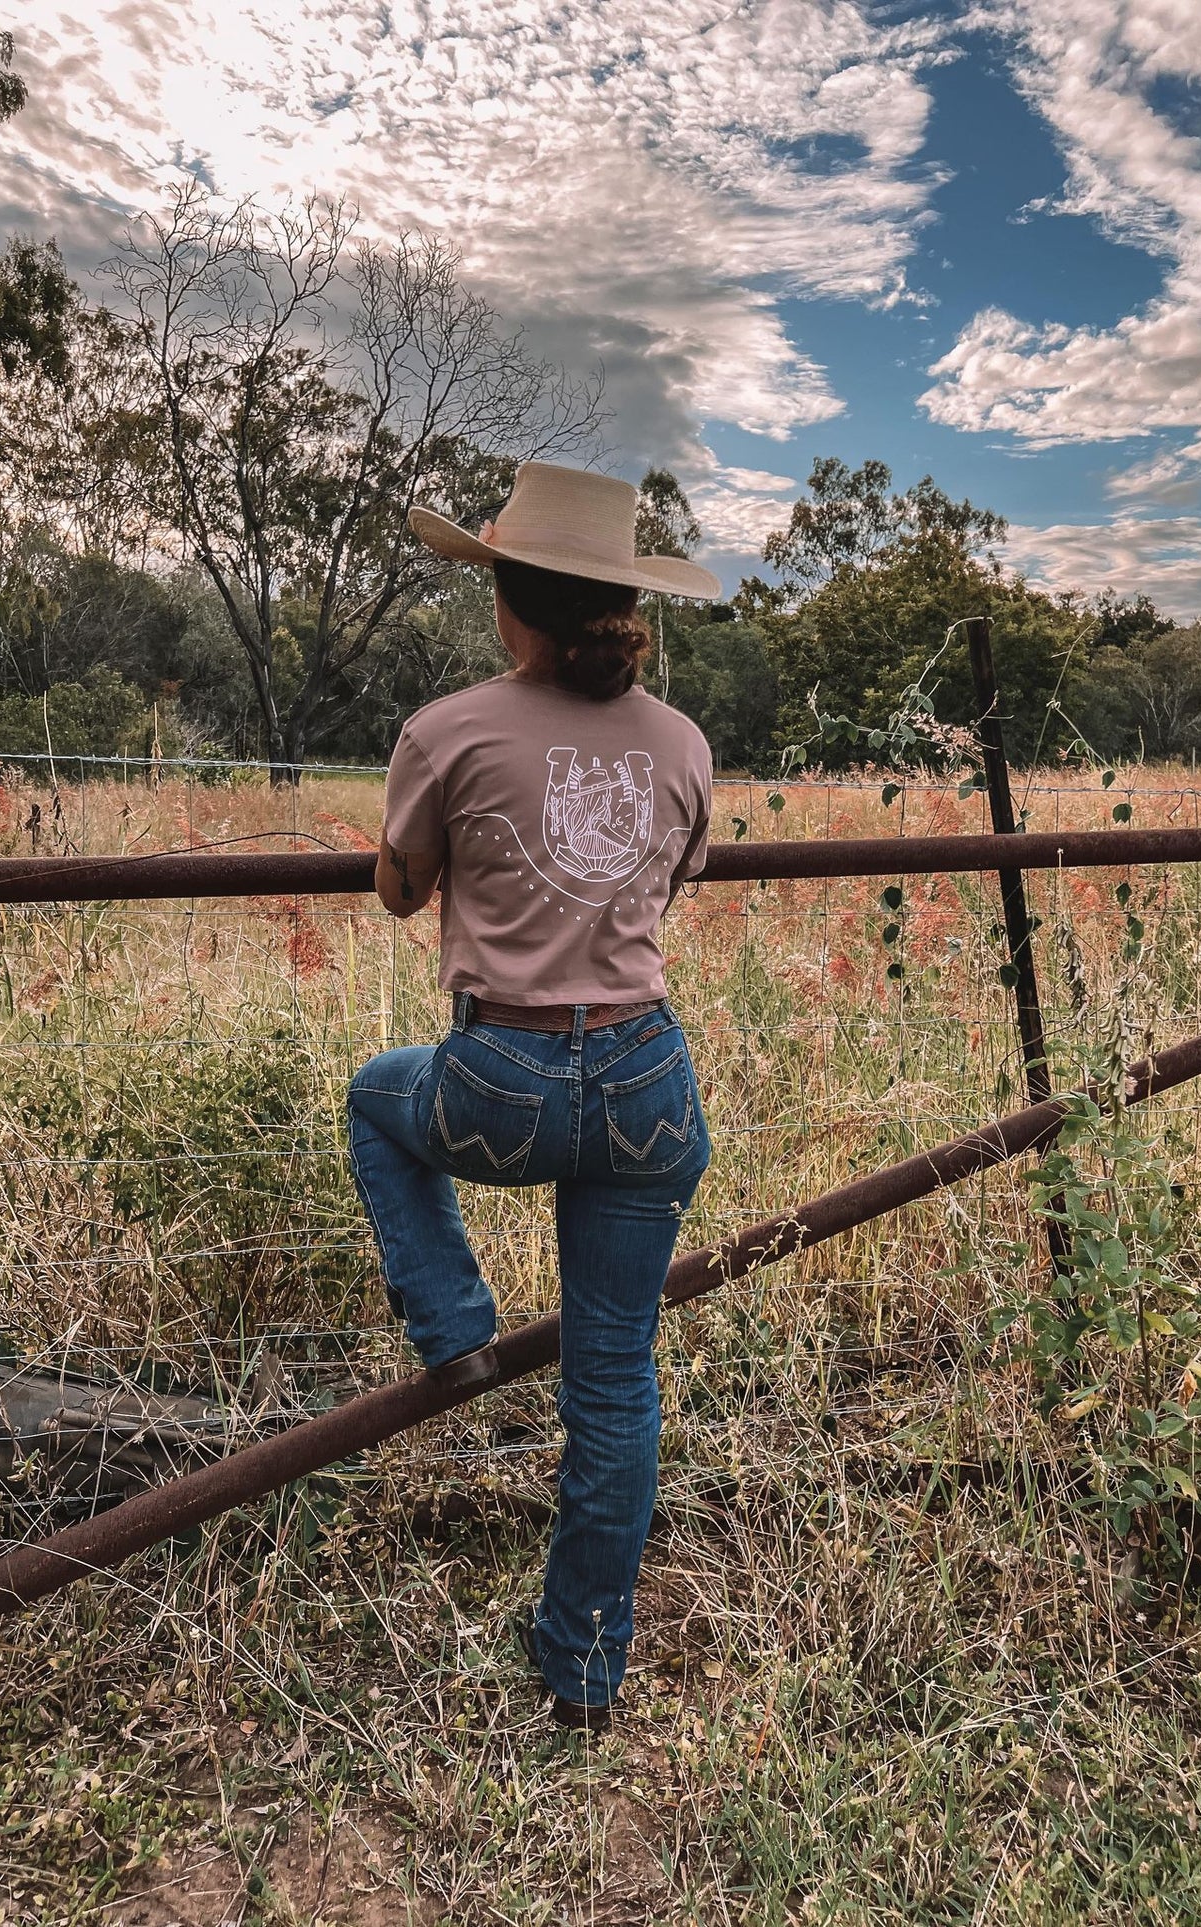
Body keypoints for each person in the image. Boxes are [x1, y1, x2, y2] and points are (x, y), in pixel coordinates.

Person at [347, 462, 720, 1732]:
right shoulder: (680, 741)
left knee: (373, 1098)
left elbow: (400, 893)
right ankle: (581, 1667)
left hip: (500, 1075)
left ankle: (453, 1326)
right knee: (614, 1379)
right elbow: (662, 888)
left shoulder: (446, 730)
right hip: (641, 1073)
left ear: (509, 597)